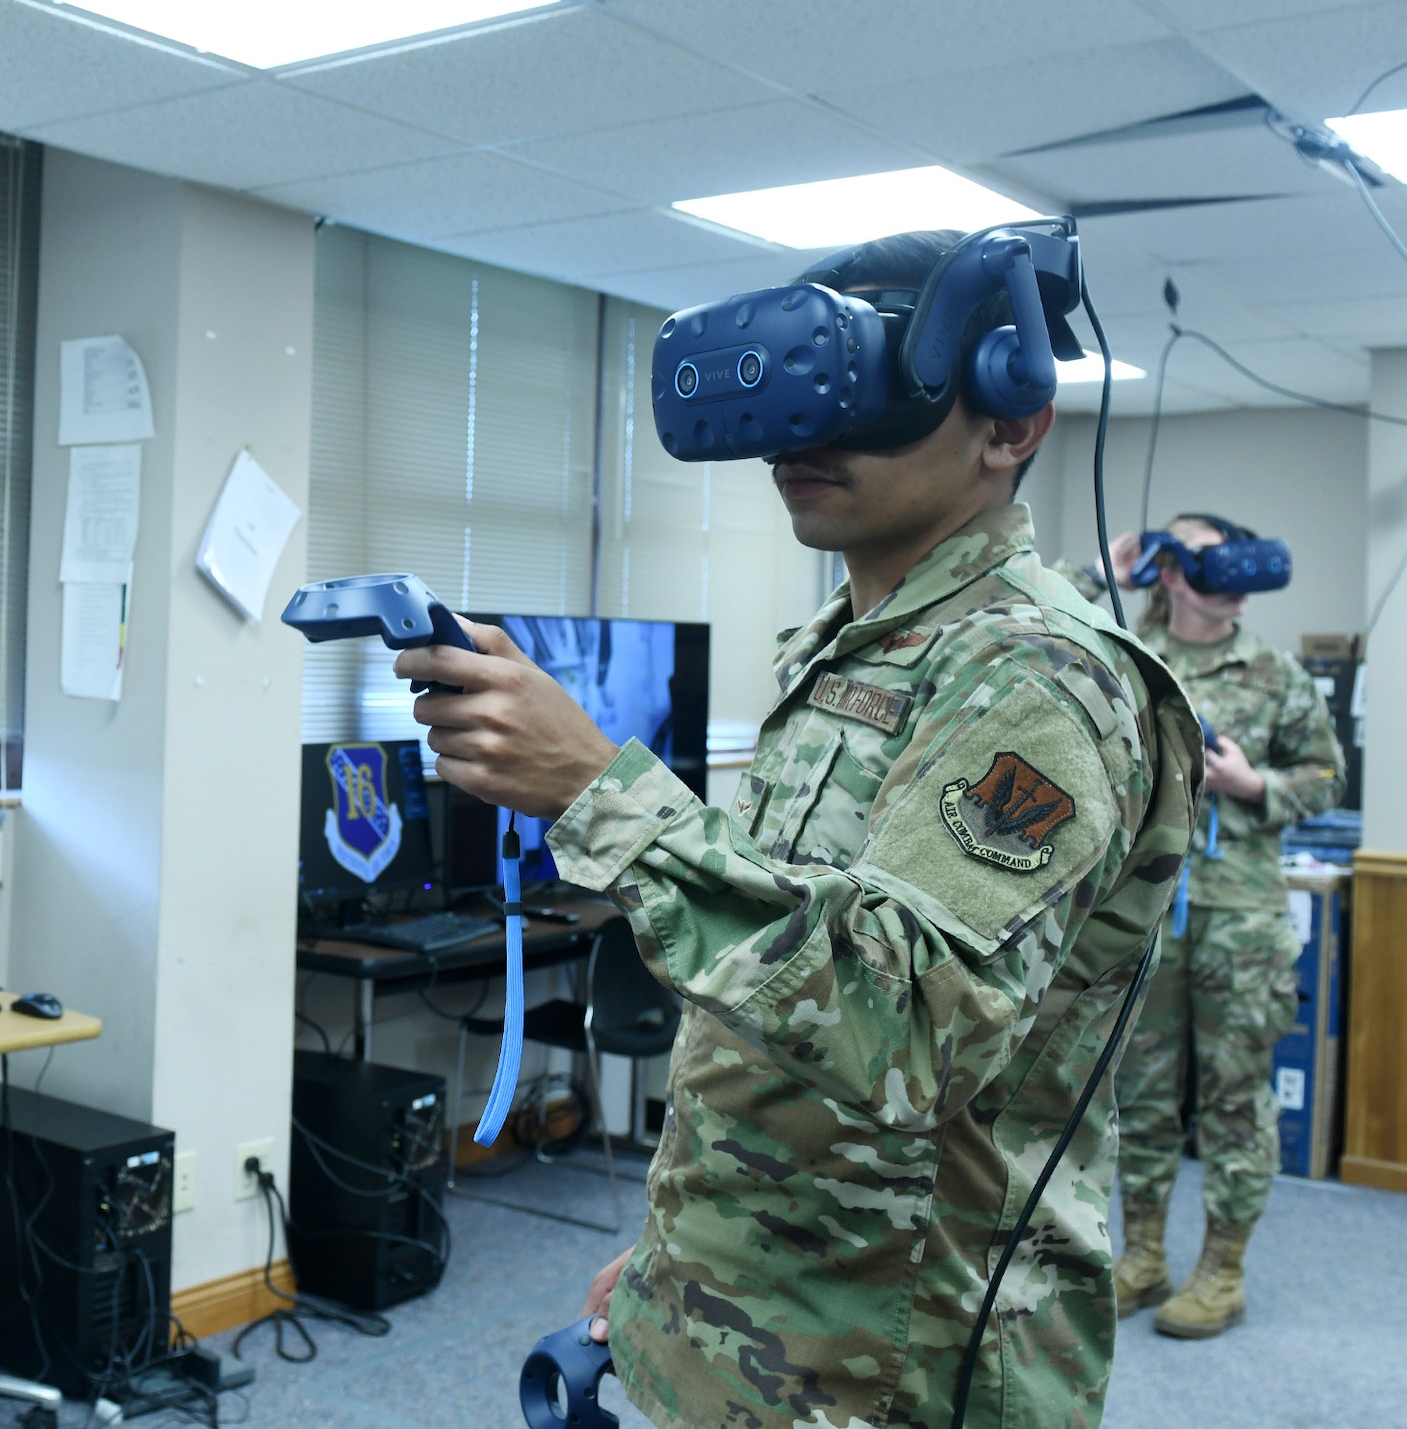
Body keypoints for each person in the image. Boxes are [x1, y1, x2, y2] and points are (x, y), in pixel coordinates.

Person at [396, 230, 1201, 1429]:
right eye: (791, 397)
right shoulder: (841, 652)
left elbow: (907, 1023)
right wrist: (687, 1263)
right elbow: (773, 1001)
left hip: (902, 1360)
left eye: (864, 394)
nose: (798, 439)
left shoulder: (1035, 679)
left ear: (1010, 423)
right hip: (764, 1317)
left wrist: (597, 792)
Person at [1081, 518, 1344, 1339]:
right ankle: (1144, 1256)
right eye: (1204, 558)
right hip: (1144, 911)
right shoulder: (1121, 648)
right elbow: (1030, 621)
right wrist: (1100, 573)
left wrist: (1254, 782)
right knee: (1143, 1097)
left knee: (1233, 1101)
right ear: (1167, 572)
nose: (1229, 578)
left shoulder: (1274, 673)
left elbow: (1328, 775)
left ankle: (1222, 1270)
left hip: (1240, 917)